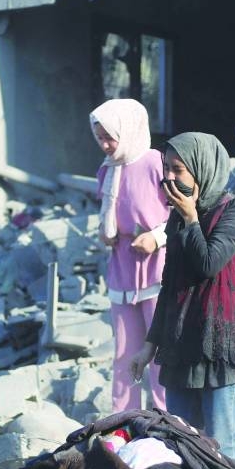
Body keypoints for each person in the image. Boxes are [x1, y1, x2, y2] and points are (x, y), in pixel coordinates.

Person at [130, 132, 235, 464]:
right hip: (180, 346)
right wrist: (149, 345)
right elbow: (170, 285)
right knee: (180, 442)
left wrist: (190, 218)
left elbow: (208, 264)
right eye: (166, 169)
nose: (169, 179)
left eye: (178, 170)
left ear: (202, 169)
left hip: (220, 346)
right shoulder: (177, 218)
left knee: (221, 446)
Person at [90, 98, 170, 413]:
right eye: (100, 139)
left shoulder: (155, 163)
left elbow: (185, 214)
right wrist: (105, 231)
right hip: (122, 270)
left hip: (158, 270)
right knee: (125, 353)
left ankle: (169, 422)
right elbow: (105, 214)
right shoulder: (107, 171)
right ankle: (124, 422)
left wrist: (157, 238)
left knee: (161, 352)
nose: (106, 145)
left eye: (111, 136)